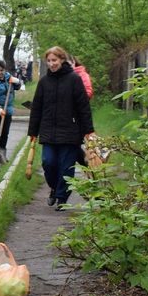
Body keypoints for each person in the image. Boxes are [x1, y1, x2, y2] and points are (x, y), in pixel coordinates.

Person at [27, 46, 95, 210]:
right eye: (49, 61)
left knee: (66, 167)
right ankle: (54, 188)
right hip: (48, 131)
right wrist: (33, 132)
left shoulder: (74, 80)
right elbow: (36, 108)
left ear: (62, 60)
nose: (51, 64)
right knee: (48, 163)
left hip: (70, 132)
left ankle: (61, 198)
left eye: (54, 60)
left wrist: (89, 131)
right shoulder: (44, 82)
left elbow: (83, 107)